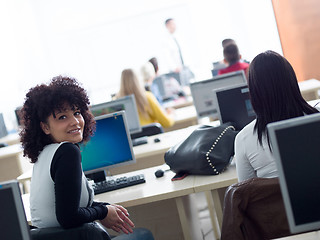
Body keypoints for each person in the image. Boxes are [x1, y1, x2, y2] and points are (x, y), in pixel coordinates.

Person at [19, 76, 154, 239]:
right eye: (62, 117)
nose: (75, 121)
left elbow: (67, 204)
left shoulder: (45, 154)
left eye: (77, 113)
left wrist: (103, 209)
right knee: (143, 234)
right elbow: (68, 217)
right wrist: (103, 212)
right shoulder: (67, 151)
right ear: (45, 127)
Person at [234, 50, 319, 182]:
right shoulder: (316, 119)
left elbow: (247, 194)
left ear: (254, 90)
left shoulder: (244, 139)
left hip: (278, 203)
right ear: (291, 81)